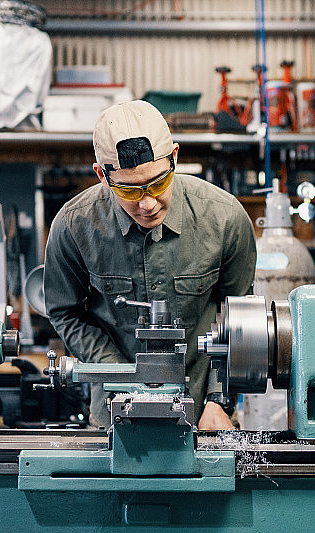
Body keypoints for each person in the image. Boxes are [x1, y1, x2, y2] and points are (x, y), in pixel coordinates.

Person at [44, 100, 256, 430]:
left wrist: (218, 400)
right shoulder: (73, 227)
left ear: (174, 157)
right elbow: (64, 311)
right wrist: (119, 374)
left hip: (205, 417)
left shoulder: (225, 219)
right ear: (103, 175)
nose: (148, 203)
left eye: (158, 183)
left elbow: (239, 317)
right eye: (130, 190)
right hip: (113, 415)